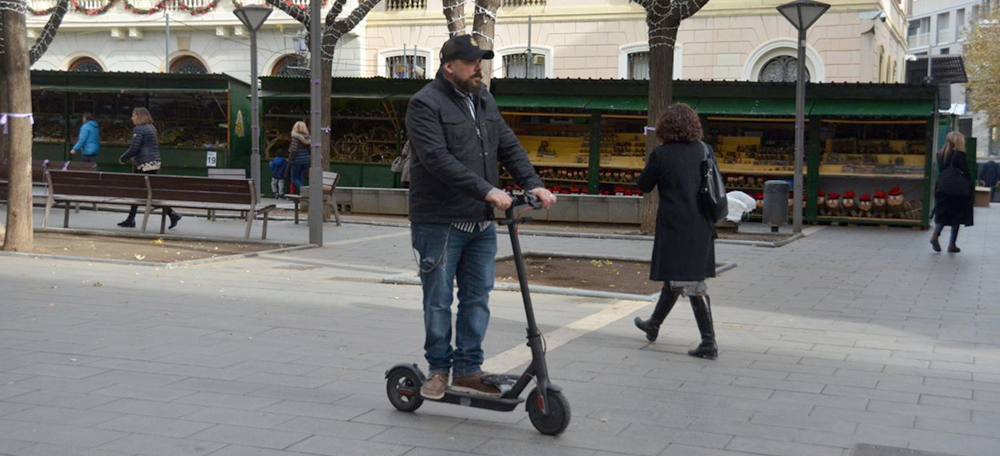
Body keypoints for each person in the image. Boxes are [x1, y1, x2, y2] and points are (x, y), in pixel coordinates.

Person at [406, 34, 557, 400]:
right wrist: (487, 190)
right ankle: (439, 370)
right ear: (449, 67)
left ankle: (469, 370)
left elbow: (507, 144)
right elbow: (436, 159)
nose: (479, 67)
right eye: (472, 62)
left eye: (481, 61)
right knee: (439, 300)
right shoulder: (424, 104)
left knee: (477, 297)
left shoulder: (484, 100)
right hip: (439, 222)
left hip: (480, 221)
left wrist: (533, 184)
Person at [633, 103, 719, 360]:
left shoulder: (662, 154)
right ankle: (653, 325)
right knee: (675, 279)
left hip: (675, 227)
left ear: (664, 128)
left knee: (692, 283)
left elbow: (644, 185)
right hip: (702, 225)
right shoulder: (705, 150)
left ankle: (709, 342)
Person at [118, 107, 181, 229]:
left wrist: (123, 158)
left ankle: (172, 213)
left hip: (144, 164)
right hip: (154, 162)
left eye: (133, 115)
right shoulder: (152, 128)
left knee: (144, 192)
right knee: (146, 191)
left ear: (139, 116)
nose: (132, 118)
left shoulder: (139, 129)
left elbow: (134, 148)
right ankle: (131, 218)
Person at [931, 131, 973, 253]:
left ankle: (935, 235)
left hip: (942, 187)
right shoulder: (960, 154)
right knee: (956, 216)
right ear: (959, 141)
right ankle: (952, 244)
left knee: (943, 214)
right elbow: (965, 172)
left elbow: (942, 170)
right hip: (957, 190)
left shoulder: (941, 154)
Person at [288, 121, 310, 195]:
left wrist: (291, 159)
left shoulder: (295, 137)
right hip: (306, 159)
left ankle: (304, 192)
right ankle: (301, 194)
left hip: (297, 159)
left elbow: (294, 150)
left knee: (294, 178)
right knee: (301, 177)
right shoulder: (308, 138)